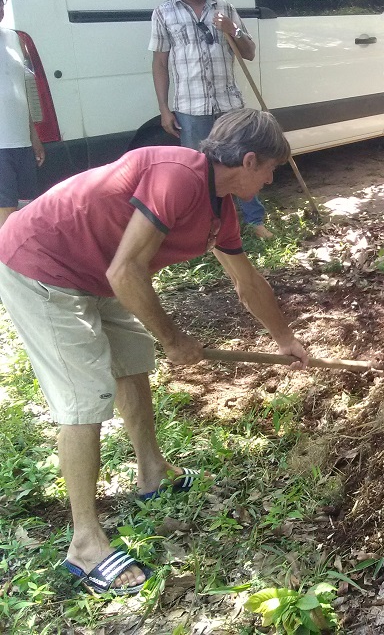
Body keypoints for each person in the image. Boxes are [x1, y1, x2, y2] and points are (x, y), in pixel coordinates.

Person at [0, 109, 309, 595]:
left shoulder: (220, 204)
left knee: (132, 360)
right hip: (43, 263)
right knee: (85, 396)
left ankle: (152, 472)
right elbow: (127, 271)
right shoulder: (179, 177)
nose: (271, 179)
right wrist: (175, 338)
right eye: (271, 169)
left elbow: (245, 280)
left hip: (97, 273)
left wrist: (285, 339)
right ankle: (85, 541)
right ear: (249, 160)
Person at [150, 0, 274, 240]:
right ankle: (205, 227)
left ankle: (255, 221)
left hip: (228, 104)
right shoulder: (163, 13)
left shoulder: (224, 8)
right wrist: (164, 109)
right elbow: (159, 63)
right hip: (190, 107)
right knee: (197, 170)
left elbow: (250, 53)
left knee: (245, 161)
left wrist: (234, 30)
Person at [0, 0, 45, 229]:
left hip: (21, 143)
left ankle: (22, 264)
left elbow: (21, 92)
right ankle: (5, 265)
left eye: (0, 0)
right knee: (5, 212)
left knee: (27, 207)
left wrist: (33, 137)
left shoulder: (13, 38)